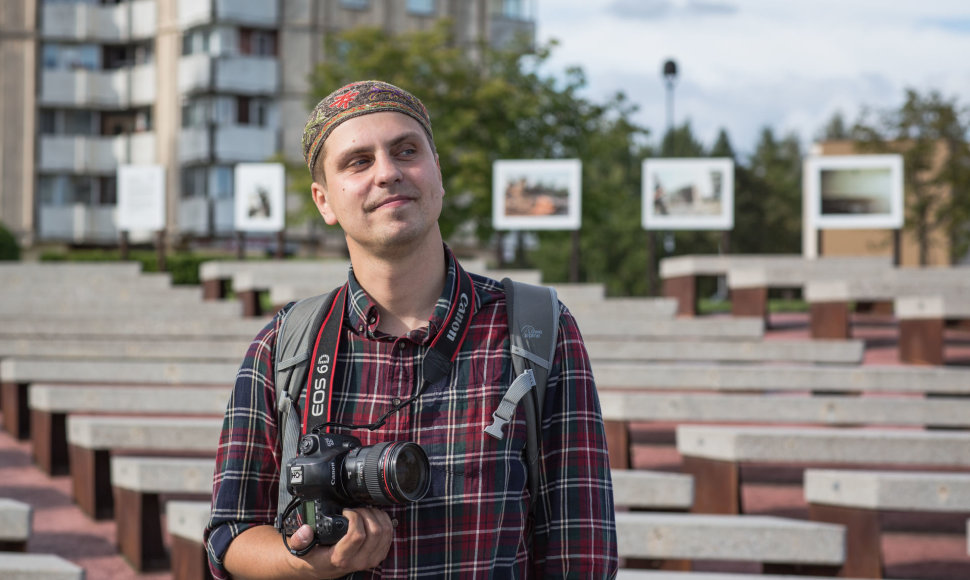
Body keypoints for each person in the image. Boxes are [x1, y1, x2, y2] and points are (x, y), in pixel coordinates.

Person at [203, 80, 618, 579]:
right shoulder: (283, 347)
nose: (387, 173)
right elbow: (229, 535)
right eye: (357, 161)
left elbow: (582, 554)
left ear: (437, 174)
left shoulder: (535, 328)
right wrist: (313, 564)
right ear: (324, 201)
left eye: (406, 151)